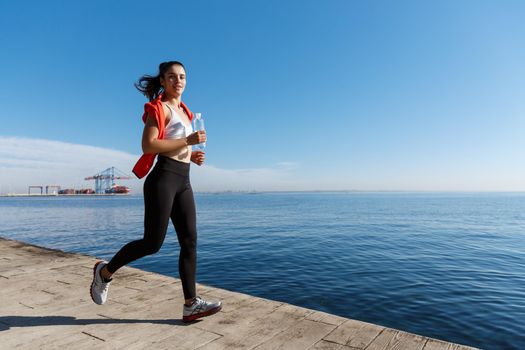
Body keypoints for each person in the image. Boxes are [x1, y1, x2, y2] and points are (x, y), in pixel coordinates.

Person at [90, 61, 222, 322]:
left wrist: (190, 154)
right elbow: (149, 144)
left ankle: (190, 304)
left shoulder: (186, 112)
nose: (178, 81)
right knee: (152, 243)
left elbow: (175, 144)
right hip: (162, 179)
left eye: (182, 76)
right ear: (162, 81)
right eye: (172, 77)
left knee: (190, 241)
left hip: (183, 180)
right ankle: (104, 272)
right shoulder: (158, 108)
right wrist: (187, 141)